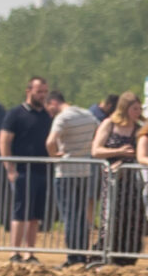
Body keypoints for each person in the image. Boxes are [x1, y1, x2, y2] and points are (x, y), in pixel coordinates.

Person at [0, 76, 53, 262]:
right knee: (20, 212)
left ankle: (30, 252)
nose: (42, 95)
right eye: (39, 92)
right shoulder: (15, 114)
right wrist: (10, 168)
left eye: (45, 92)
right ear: (28, 91)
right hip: (22, 171)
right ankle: (14, 252)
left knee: (35, 215)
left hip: (42, 170)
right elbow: (4, 141)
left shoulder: (47, 115)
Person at [48, 88, 99, 265]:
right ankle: (82, 255)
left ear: (53, 102)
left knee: (69, 216)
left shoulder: (63, 118)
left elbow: (50, 142)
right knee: (81, 216)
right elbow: (98, 131)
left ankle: (72, 257)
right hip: (84, 170)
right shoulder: (87, 114)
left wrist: (54, 157)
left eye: (49, 107)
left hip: (66, 172)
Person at [94, 93, 143, 265]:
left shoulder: (138, 128)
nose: (138, 112)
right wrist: (119, 152)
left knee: (132, 218)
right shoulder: (109, 124)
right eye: (134, 108)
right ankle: (104, 256)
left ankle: (126, 259)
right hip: (112, 180)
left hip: (132, 181)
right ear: (124, 108)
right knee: (111, 217)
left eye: (139, 109)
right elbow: (96, 150)